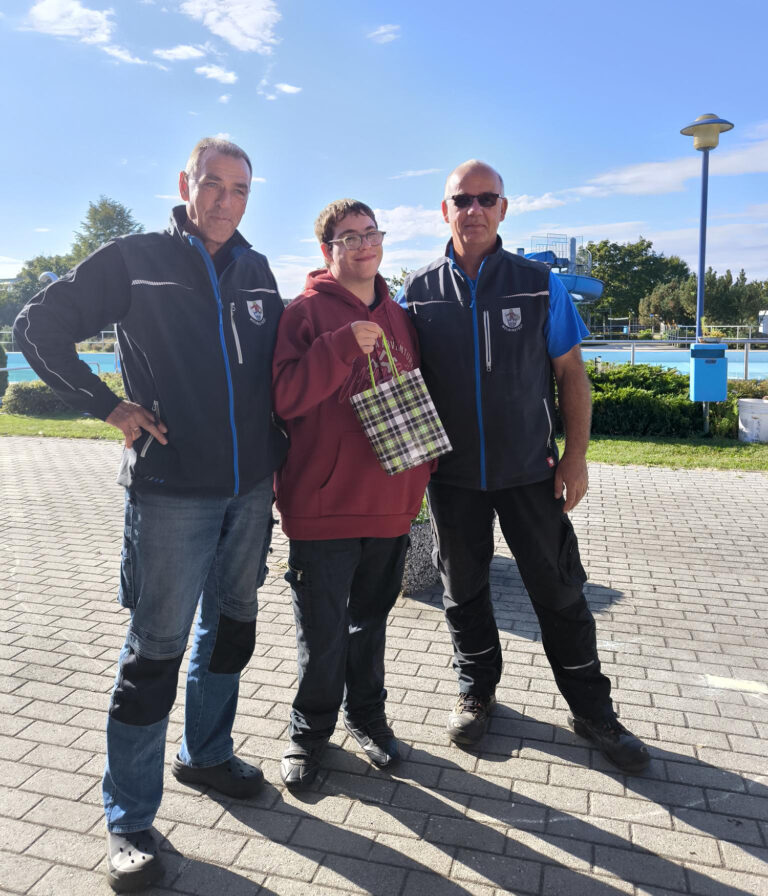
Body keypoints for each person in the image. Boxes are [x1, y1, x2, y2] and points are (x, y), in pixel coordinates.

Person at [14, 138, 288, 891]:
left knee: (232, 625)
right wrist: (108, 404)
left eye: (240, 188)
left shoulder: (258, 270)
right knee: (155, 650)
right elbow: (36, 327)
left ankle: (206, 753)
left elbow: (277, 374)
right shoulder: (133, 258)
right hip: (171, 491)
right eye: (214, 185)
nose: (226, 201)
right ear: (185, 184)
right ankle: (129, 820)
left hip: (250, 488)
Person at [398, 159, 650, 773]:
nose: (475, 209)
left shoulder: (541, 284)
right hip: (453, 479)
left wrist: (578, 457)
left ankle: (593, 711)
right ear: (445, 210)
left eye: (487, 199)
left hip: (531, 474)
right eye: (463, 199)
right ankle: (477, 693)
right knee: (464, 593)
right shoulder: (419, 292)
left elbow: (572, 375)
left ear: (504, 209)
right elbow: (399, 381)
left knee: (560, 592)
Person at [272, 199, 431, 789]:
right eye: (349, 237)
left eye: (372, 233)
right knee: (322, 633)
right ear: (328, 250)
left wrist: (420, 479)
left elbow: (417, 398)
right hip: (323, 509)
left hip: (390, 507)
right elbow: (285, 398)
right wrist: (338, 346)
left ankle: (368, 720)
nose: (364, 244)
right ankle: (308, 735)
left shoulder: (399, 314)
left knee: (370, 623)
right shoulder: (304, 314)